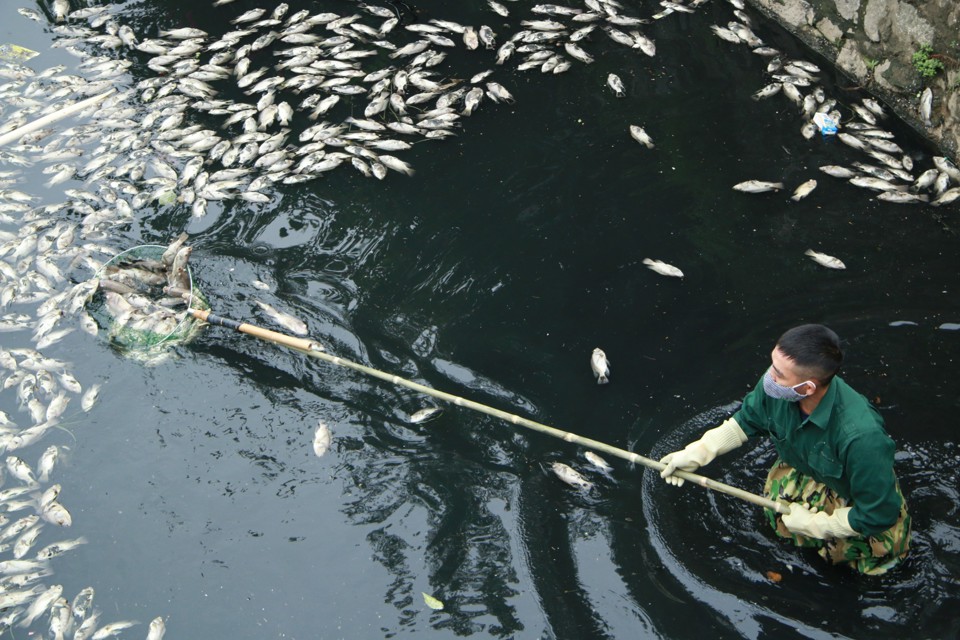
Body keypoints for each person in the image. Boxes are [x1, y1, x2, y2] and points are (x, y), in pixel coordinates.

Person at [658, 324, 911, 575]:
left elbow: (879, 512)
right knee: (778, 520)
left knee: (869, 567)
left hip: (856, 502)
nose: (770, 377)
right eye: (772, 365)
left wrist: (816, 524)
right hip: (805, 469)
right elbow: (748, 420)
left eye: (779, 374)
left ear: (807, 388)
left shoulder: (863, 438)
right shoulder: (778, 387)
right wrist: (699, 451)